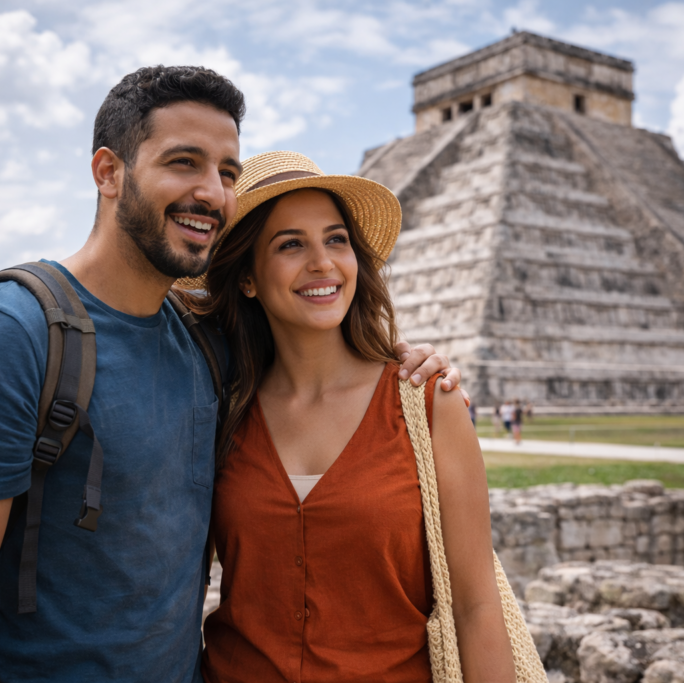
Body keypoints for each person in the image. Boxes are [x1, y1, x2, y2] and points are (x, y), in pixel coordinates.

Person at [0, 68, 461, 683]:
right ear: (108, 173)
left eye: (226, 171)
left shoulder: (205, 346)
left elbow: (309, 335)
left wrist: (398, 355)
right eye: (183, 162)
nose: (212, 193)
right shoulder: (5, 337)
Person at [195, 152, 515, 682]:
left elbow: (476, 606)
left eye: (336, 239)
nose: (322, 262)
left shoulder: (427, 401)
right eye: (290, 243)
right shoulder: (219, 411)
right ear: (247, 278)